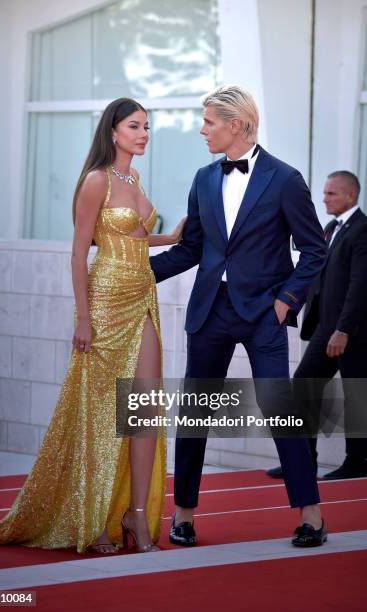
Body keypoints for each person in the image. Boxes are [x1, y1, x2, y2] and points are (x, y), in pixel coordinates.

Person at [0, 98, 185, 554]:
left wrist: (172, 237)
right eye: (135, 126)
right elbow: (79, 251)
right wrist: (82, 317)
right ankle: (91, 519)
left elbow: (132, 239)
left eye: (147, 126)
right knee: (98, 415)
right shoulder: (96, 180)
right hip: (103, 304)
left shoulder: (133, 177)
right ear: (114, 131)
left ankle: (136, 516)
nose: (144, 133)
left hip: (143, 297)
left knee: (144, 409)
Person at [150, 84, 329, 548]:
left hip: (263, 315)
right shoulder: (203, 178)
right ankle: (184, 514)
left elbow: (314, 250)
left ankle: (311, 514)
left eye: (209, 122)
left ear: (236, 125)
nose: (202, 129)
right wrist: (135, 274)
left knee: (280, 410)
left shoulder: (286, 179)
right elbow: (191, 250)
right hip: (210, 313)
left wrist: (285, 301)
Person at [267, 171, 367, 481]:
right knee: (304, 386)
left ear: (350, 196)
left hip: (352, 331)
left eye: (331, 194)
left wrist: (344, 329)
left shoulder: (362, 231)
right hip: (326, 326)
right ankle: (301, 459)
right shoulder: (331, 229)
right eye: (324, 193)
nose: (324, 199)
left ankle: (357, 462)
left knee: (357, 395)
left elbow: (360, 286)